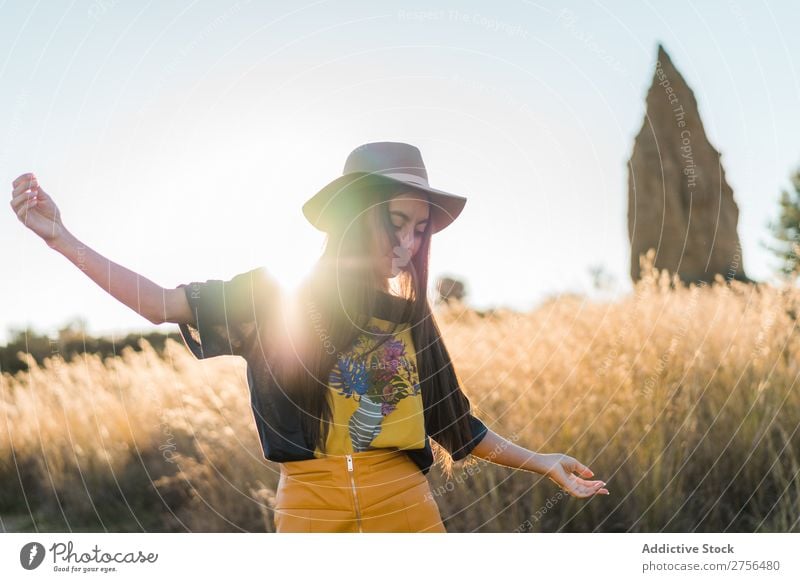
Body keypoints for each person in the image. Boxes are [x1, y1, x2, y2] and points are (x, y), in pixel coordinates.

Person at [9, 141, 609, 533]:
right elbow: (162, 304)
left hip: (406, 509)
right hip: (307, 511)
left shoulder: (408, 320)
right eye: (395, 223)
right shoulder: (271, 297)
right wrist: (62, 239)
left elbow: (459, 427)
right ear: (356, 217)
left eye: (421, 229)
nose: (409, 243)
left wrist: (545, 462)